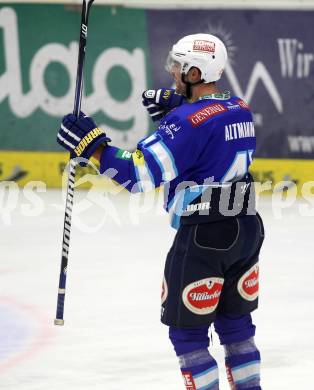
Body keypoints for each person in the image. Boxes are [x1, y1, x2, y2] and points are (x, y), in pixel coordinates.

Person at [57, 33, 264, 390]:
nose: (171, 72)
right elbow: (207, 139)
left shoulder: (186, 121)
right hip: (246, 232)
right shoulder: (238, 106)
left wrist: (91, 145)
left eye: (179, 66)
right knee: (236, 328)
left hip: (204, 238)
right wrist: (177, 111)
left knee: (189, 337)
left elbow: (136, 175)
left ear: (195, 73)